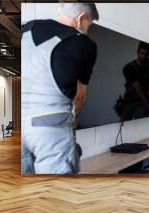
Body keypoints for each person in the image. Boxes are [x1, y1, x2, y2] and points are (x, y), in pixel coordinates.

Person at [21, 3, 99, 174]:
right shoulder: (84, 43)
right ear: (80, 18)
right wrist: (73, 124)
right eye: (89, 25)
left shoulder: (26, 27)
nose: (87, 30)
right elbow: (80, 96)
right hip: (51, 128)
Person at [119, 41, 149, 121]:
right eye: (141, 53)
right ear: (137, 51)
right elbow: (138, 88)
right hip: (129, 100)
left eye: (146, 54)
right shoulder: (128, 68)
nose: (143, 57)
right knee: (123, 125)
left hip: (143, 101)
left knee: (142, 123)